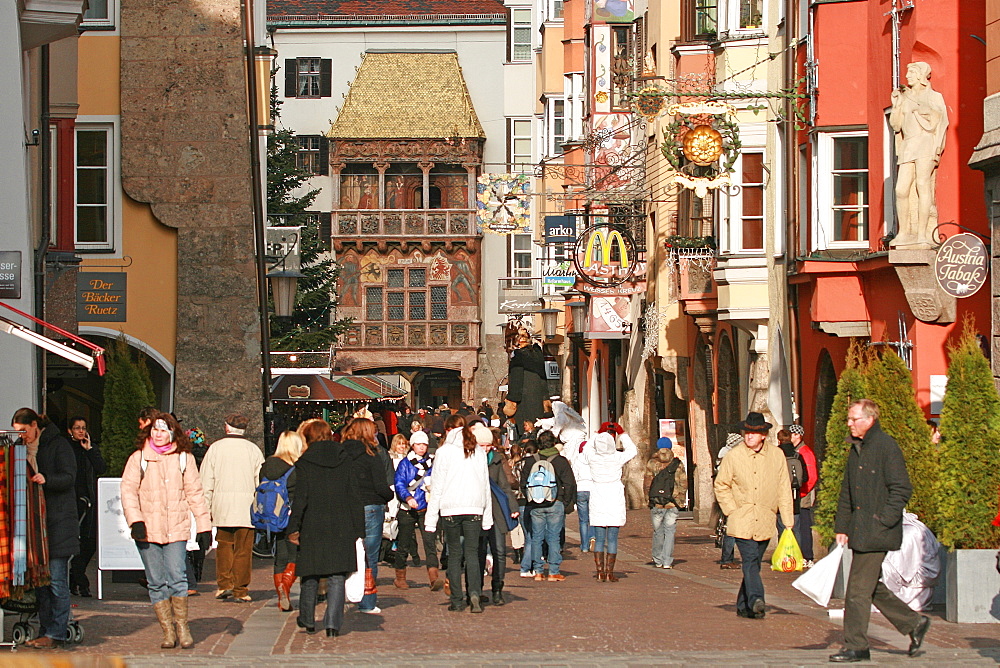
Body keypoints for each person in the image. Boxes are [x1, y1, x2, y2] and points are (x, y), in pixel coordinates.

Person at [829, 399, 930, 663]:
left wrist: (883, 519)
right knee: (870, 587)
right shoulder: (857, 448)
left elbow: (901, 488)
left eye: (853, 419)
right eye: (849, 419)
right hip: (861, 529)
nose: (849, 423)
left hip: (877, 531)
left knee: (857, 592)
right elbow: (847, 492)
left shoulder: (886, 446)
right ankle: (913, 623)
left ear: (869, 419)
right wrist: (842, 525)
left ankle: (856, 645)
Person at [120, 413, 212, 649]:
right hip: (147, 530)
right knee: (156, 580)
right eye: (155, 430)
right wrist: (135, 521)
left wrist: (204, 526)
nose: (158, 435)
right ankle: (168, 631)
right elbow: (128, 491)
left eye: (163, 431)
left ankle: (182, 627)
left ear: (172, 434)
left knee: (177, 576)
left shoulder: (184, 458)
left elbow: (195, 493)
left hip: (176, 528)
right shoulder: (139, 458)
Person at [286, 420, 364, 638]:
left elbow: (301, 498)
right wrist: (359, 528)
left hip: (313, 522)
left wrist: (294, 527)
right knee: (337, 574)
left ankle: (308, 619)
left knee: (310, 573)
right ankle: (332, 624)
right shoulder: (345, 459)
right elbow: (354, 495)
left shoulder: (305, 463)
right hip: (342, 522)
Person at [11, 408, 79, 650]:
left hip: (58, 524)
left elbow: (70, 477)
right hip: (35, 528)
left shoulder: (58, 445)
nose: (21, 436)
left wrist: (46, 478)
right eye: (17, 432)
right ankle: (47, 629)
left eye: (24, 431)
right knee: (41, 583)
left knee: (57, 581)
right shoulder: (19, 450)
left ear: (35, 426)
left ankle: (56, 632)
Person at [714, 412, 793, 620]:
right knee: (749, 559)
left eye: (754, 433)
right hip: (742, 518)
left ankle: (743, 605)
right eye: (747, 432)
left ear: (763, 435)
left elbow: (784, 487)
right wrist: (732, 510)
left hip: (765, 518)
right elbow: (721, 485)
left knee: (755, 562)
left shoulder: (776, 456)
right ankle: (757, 599)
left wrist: (788, 521)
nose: (749, 436)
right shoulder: (734, 456)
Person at [425, 414, 493, 612]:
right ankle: (474, 594)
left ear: (447, 430)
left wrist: (431, 519)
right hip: (474, 507)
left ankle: (456, 599)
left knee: (454, 554)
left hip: (450, 509)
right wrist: (486, 516)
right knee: (472, 553)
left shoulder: (444, 452)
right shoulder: (477, 451)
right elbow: (484, 485)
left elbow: (437, 486)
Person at [199, 413, 265, 602]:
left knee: (224, 547)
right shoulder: (253, 450)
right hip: (246, 508)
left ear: (226, 427)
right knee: (243, 550)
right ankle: (240, 589)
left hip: (222, 506)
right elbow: (259, 482)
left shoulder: (215, 449)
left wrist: (206, 507)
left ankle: (224, 584)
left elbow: (206, 482)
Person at [889, 61, 949, 247]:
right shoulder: (905, 98)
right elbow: (896, 125)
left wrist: (937, 149)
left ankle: (923, 234)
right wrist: (896, 105)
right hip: (908, 145)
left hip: (925, 144)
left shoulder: (933, 96)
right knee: (901, 189)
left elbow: (942, 122)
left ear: (921, 76)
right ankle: (904, 232)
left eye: (911, 73)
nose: (907, 77)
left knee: (923, 185)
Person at [342, 417, 394, 615]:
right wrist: (389, 495)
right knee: (370, 556)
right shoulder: (373, 455)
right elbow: (381, 486)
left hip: (347, 507)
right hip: (371, 505)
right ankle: (367, 601)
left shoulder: (341, 454)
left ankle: (342, 594)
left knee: (347, 552)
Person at [581, 423, 635, 581]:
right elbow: (632, 450)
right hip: (614, 497)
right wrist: (622, 433)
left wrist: (598, 433)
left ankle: (599, 572)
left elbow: (586, 449)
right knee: (612, 537)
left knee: (599, 537)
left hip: (598, 495)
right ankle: (610, 572)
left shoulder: (592, 457)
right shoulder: (617, 457)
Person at [521, 430, 576, 582]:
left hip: (535, 505)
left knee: (536, 538)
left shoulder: (531, 461)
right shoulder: (561, 461)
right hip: (555, 503)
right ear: (553, 443)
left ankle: (538, 571)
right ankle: (553, 571)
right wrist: (564, 502)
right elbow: (570, 484)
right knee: (553, 537)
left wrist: (531, 498)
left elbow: (523, 483)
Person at [260, 430, 305, 612]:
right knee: (295, 556)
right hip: (292, 515)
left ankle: (281, 597)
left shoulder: (267, 465)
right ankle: (285, 586)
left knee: (280, 557)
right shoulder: (296, 467)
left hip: (272, 515)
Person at [476, 423, 519, 605]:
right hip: (477, 511)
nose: (485, 449)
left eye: (488, 446)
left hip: (496, 512)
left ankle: (497, 588)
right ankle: (476, 589)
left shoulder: (496, 460)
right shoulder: (469, 460)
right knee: (477, 552)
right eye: (482, 446)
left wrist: (513, 506)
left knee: (499, 550)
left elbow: (504, 486)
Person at [393, 430, 442, 590]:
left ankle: (434, 577)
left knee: (429, 543)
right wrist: (407, 497)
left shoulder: (432, 463)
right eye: (418, 444)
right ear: (413, 445)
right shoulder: (405, 463)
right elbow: (399, 483)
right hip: (407, 509)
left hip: (426, 507)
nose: (422, 447)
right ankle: (400, 576)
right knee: (404, 545)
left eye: (424, 444)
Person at [66, 416, 106, 597]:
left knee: (90, 542)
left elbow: (101, 468)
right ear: (70, 431)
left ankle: (76, 575)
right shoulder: (66, 448)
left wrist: (90, 450)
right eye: (76, 428)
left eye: (83, 428)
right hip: (72, 501)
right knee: (74, 540)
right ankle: (80, 581)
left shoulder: (90, 448)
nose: (80, 431)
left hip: (90, 501)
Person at [644, 437, 687, 569]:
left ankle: (657, 559)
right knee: (669, 532)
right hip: (672, 503)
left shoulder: (652, 463)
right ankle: (667, 560)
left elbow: (647, 483)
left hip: (657, 503)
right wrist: (680, 500)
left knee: (658, 531)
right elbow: (683, 483)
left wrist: (648, 499)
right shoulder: (677, 464)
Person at [503, 329, 547, 429]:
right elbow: (543, 380)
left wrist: (511, 401)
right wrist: (546, 400)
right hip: (538, 403)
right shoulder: (537, 356)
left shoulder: (518, 357)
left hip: (524, 404)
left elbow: (516, 381)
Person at [776, 429, 809, 552]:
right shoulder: (797, 456)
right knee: (796, 528)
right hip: (795, 495)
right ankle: (796, 555)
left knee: (782, 528)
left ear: (778, 440)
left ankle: (784, 556)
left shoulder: (776, 455)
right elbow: (805, 477)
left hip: (779, 496)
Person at [790, 424, 818, 567]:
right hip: (799, 493)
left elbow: (812, 476)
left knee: (804, 525)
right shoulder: (797, 451)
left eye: (792, 434)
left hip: (803, 494)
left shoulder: (805, 453)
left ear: (798, 436)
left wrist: (803, 493)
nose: (790, 437)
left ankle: (808, 556)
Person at [715, 432, 742, 569]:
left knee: (729, 527)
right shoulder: (731, 458)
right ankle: (727, 559)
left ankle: (727, 558)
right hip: (732, 497)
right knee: (731, 528)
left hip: (726, 497)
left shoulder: (723, 456)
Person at [511, 440, 537, 576]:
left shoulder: (517, 465)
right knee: (531, 535)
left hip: (518, 501)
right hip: (531, 500)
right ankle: (527, 566)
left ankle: (525, 561)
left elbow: (513, 483)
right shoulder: (535, 464)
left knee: (525, 532)